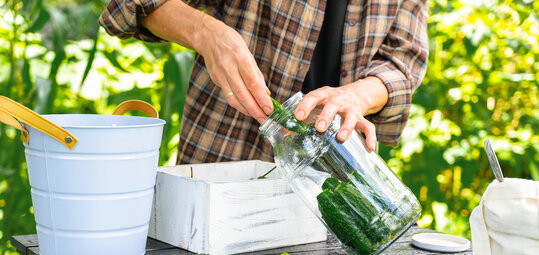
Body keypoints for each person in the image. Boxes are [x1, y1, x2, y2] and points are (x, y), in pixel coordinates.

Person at [99, 0, 428, 164]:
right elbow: (132, 5)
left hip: (338, 174)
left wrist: (357, 95)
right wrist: (208, 33)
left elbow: (402, 62)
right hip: (226, 154)